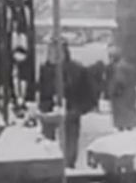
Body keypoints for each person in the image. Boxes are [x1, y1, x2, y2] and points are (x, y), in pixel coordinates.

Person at [37, 38, 95, 168]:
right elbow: (41, 92)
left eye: (57, 51)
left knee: (69, 147)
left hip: (70, 115)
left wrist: (78, 110)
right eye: (50, 51)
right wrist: (43, 109)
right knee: (49, 148)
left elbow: (89, 94)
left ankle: (68, 167)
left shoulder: (77, 70)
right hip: (49, 116)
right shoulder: (45, 69)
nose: (53, 54)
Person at [106, 42, 136, 131]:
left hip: (121, 99)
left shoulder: (119, 67)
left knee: (121, 122)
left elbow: (119, 82)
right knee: (129, 122)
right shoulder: (129, 66)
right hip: (130, 97)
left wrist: (112, 92)